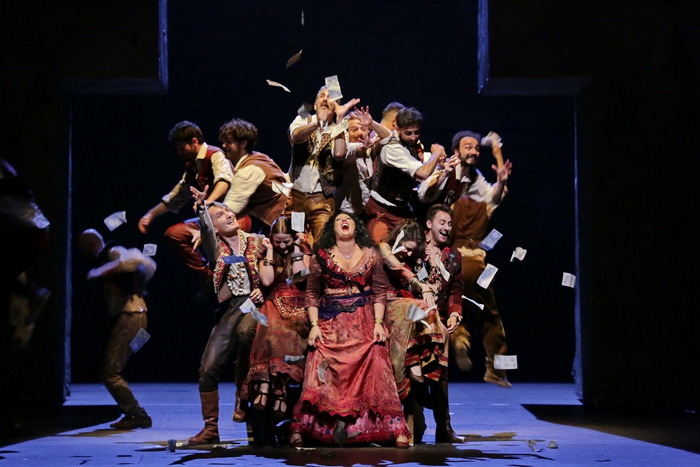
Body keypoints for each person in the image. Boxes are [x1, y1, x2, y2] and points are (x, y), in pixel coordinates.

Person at [290, 211, 410, 448]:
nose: (344, 221)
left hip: (364, 321)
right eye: (339, 219)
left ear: (357, 227)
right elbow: (312, 294)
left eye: (349, 219)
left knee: (377, 355)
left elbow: (379, 292)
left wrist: (378, 323)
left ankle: (393, 428)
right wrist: (314, 326)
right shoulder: (321, 256)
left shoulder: (371, 254)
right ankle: (305, 428)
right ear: (331, 229)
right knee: (318, 359)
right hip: (330, 323)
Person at [418, 131, 513, 388]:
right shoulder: (450, 174)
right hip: (470, 260)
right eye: (467, 147)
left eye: (476, 148)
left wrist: (500, 177)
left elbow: (494, 196)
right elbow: (424, 193)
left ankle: (460, 338)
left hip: (453, 261)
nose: (473, 151)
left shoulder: (476, 180)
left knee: (451, 304)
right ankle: (496, 368)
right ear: (457, 152)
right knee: (490, 314)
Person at [188, 185, 266, 444]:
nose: (228, 215)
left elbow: (276, 269)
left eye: (228, 211)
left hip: (255, 304)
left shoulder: (257, 241)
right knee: (207, 367)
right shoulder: (214, 247)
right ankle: (210, 428)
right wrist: (202, 208)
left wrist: (264, 290)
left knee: (246, 336)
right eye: (220, 215)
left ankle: (242, 396)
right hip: (231, 307)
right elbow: (206, 231)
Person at [380, 210, 464, 444]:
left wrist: (455, 313)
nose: (447, 227)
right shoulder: (414, 246)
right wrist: (422, 266)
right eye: (442, 222)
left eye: (450, 223)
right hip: (413, 314)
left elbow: (456, 288)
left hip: (436, 317)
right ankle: (413, 422)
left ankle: (444, 427)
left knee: (440, 368)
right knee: (415, 367)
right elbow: (403, 275)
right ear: (429, 224)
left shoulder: (453, 255)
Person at [137, 121, 241, 282]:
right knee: (175, 234)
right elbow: (177, 195)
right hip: (211, 220)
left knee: (224, 249)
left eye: (181, 147)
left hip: (233, 217)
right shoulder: (192, 167)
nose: (179, 152)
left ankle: (233, 275)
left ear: (194, 141)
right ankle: (209, 276)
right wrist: (150, 214)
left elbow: (225, 181)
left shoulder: (215, 155)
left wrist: (207, 204)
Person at [77, 229, 156, 429]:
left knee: (110, 372)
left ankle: (136, 413)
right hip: (136, 318)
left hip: (133, 317)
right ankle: (134, 412)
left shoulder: (112, 251)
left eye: (82, 248)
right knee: (113, 369)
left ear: (89, 246)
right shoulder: (106, 259)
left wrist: (100, 271)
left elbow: (140, 261)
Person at [241, 216, 312, 423]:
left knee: (289, 335)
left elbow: (300, 277)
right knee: (269, 332)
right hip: (273, 300)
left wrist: (296, 246)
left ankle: (281, 391)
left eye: (286, 241)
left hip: (298, 302)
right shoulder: (266, 252)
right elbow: (267, 280)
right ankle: (264, 385)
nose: (282, 246)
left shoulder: (304, 250)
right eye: (277, 241)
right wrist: (270, 251)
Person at [286, 86, 355, 244]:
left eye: (330, 97)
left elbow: (339, 154)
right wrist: (317, 123)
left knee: (323, 243)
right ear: (316, 105)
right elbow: (296, 136)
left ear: (335, 107)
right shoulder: (303, 120)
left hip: (321, 199)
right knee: (295, 240)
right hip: (297, 197)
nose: (325, 99)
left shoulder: (339, 129)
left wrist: (340, 120)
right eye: (322, 96)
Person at [365, 107, 445, 243]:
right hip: (381, 210)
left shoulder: (414, 145)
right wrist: (436, 154)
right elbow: (422, 173)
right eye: (408, 133)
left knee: (413, 247)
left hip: (401, 211)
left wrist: (439, 164)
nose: (413, 137)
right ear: (397, 128)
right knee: (381, 248)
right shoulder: (392, 148)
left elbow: (420, 165)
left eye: (416, 132)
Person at [218, 119, 288, 234]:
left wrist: (209, 220)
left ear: (243, 143)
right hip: (289, 216)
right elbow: (246, 206)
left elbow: (231, 208)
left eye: (229, 142)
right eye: (224, 141)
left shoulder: (248, 169)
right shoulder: (259, 157)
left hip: (286, 221)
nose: (224, 145)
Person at [336, 108, 391, 216]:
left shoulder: (370, 149)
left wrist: (371, 123)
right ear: (347, 133)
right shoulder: (344, 149)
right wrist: (363, 148)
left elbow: (388, 136)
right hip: (346, 210)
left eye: (363, 129)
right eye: (354, 129)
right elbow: (356, 151)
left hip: (365, 208)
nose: (360, 133)